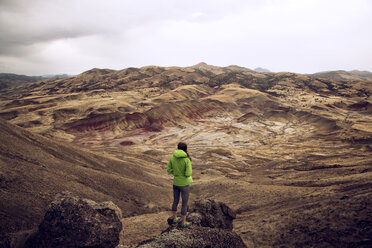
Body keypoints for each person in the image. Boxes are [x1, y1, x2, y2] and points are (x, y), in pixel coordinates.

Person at [167, 142, 193, 228]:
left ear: (177, 148)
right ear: (186, 149)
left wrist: (176, 173)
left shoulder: (172, 157)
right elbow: (188, 173)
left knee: (175, 201)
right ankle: (183, 223)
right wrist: (183, 174)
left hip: (176, 182)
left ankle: (174, 219)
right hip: (184, 184)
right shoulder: (186, 159)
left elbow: (169, 169)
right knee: (184, 204)